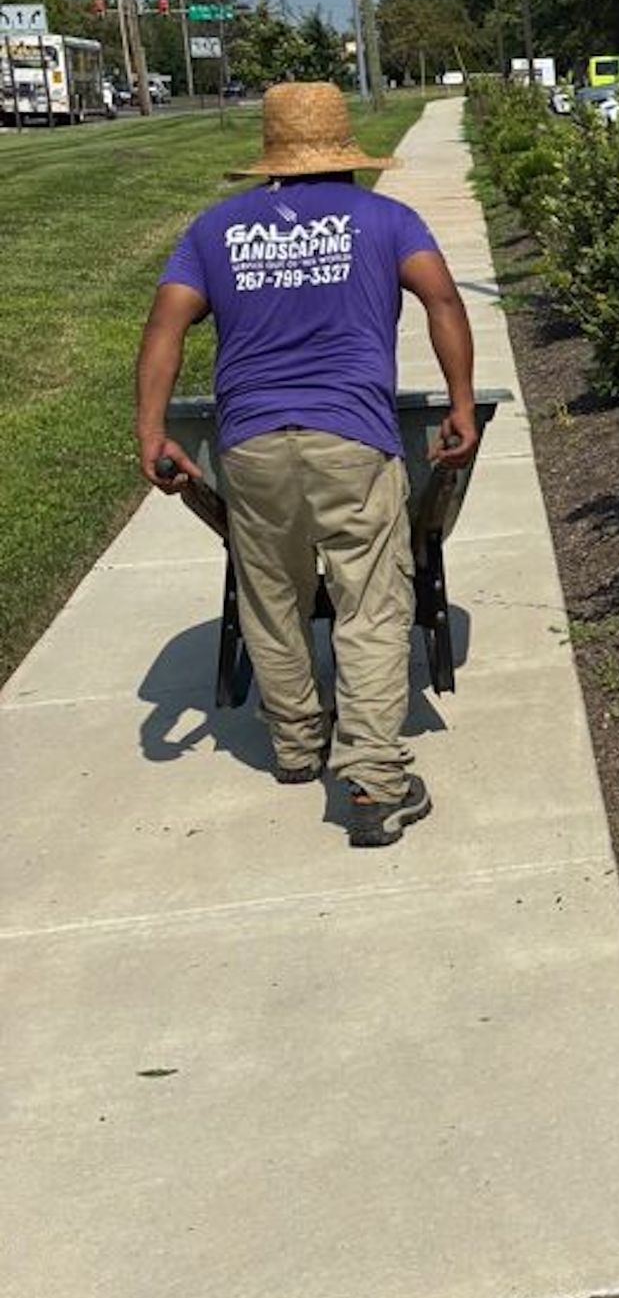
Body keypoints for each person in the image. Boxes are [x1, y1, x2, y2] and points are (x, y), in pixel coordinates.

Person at [134, 82, 478, 846]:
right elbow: (444, 301)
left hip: (251, 445)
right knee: (370, 604)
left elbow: (166, 322)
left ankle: (296, 745)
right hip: (351, 439)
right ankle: (374, 786)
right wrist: (458, 403)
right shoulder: (386, 219)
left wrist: (152, 429)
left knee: (272, 596)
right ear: (347, 158)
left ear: (271, 165)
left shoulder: (215, 229)